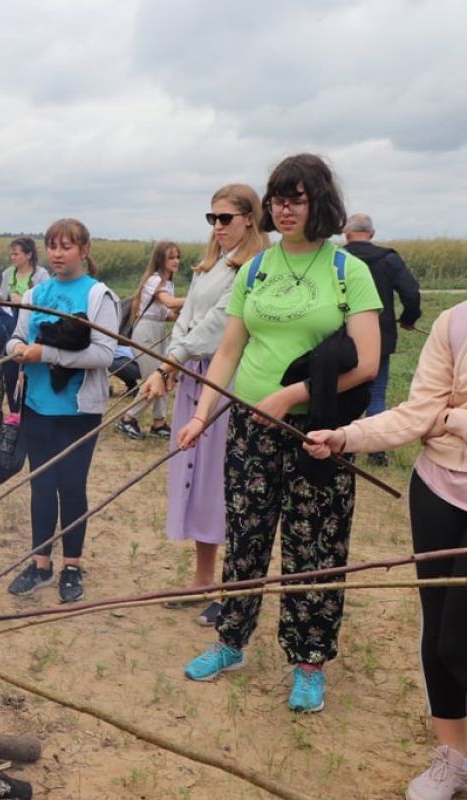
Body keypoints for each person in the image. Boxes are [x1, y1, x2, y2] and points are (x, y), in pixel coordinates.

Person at [177, 154, 382, 713]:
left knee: (314, 546)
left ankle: (309, 662)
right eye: (277, 200)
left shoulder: (347, 271)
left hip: (320, 431)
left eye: (297, 199)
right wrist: (201, 415)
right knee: (246, 535)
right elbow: (229, 351)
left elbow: (367, 362)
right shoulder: (255, 270)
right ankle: (231, 641)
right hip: (250, 426)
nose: (285, 210)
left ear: (320, 203)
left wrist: (291, 396)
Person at [304, 301, 467, 800]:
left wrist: (451, 416)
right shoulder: (455, 322)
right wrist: (346, 436)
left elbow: (437, 415)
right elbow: (417, 413)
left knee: (460, 641)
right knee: (437, 630)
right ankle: (452, 757)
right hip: (438, 488)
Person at [140, 184, 270, 626]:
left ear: (249, 218)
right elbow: (187, 321)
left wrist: (173, 360)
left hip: (227, 382)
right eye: (212, 218)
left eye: (226, 218)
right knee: (196, 481)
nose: (218, 226)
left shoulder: (253, 268)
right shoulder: (208, 266)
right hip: (194, 376)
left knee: (223, 483)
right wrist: (171, 362)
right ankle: (202, 578)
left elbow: (219, 325)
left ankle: (233, 588)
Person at [5, 218, 118, 603]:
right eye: (52, 246)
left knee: (71, 486)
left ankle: (71, 565)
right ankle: (40, 564)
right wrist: (17, 349)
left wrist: (47, 353)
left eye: (66, 247)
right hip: (37, 406)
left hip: (78, 412)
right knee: (41, 485)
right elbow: (16, 337)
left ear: (84, 251)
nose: (57, 253)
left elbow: (104, 354)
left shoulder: (99, 296)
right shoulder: (35, 293)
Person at [343, 213, 423, 467]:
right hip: (380, 336)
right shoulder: (388, 258)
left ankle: (341, 445)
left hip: (341, 336)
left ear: (346, 233)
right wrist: (409, 318)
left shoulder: (337, 258)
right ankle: (376, 452)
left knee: (341, 390)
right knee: (376, 393)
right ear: (372, 233)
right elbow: (411, 292)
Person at [116, 241, 185, 440]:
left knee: (163, 374)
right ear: (161, 260)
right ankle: (128, 418)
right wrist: (196, 300)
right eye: (171, 257)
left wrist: (178, 314)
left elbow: (165, 313)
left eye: (177, 257)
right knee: (153, 379)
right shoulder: (154, 280)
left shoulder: (169, 283)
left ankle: (159, 422)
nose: (176, 261)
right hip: (145, 331)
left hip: (158, 329)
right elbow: (169, 303)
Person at [0, 236, 49, 407]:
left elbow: (47, 303)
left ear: (28, 255)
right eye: (11, 254)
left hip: (32, 323)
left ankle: (30, 403)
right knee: (11, 364)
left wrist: (24, 302)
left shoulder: (41, 275)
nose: (12, 257)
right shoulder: (7, 273)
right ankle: (14, 407)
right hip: (10, 323)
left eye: (16, 254)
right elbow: (3, 295)